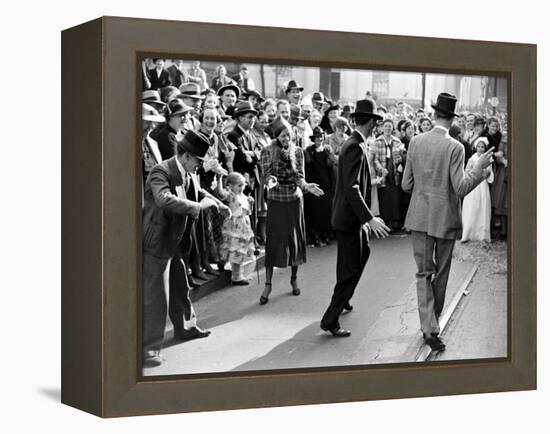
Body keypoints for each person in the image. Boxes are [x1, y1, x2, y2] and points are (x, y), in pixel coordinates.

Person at [401, 92, 494, 352]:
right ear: (452, 119)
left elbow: (406, 184)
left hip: (419, 217)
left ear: (433, 114)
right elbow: (461, 187)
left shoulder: (416, 142)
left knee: (423, 273)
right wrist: (480, 169)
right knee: (440, 274)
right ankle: (433, 326)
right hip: (444, 219)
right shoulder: (456, 147)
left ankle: (428, 326)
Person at [142, 129, 231, 367]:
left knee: (180, 287)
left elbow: (196, 191)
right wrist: (199, 207)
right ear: (187, 156)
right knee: (156, 296)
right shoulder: (161, 171)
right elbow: (164, 199)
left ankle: (186, 328)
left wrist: (218, 204)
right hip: (157, 241)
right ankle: (149, 348)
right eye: (199, 162)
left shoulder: (186, 171)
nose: (200, 167)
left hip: (177, 240)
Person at [320, 99, 390, 337]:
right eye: (375, 122)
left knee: (361, 255)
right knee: (349, 268)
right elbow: (352, 188)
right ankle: (331, 318)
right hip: (350, 218)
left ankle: (344, 298)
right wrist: (369, 218)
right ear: (370, 122)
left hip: (351, 218)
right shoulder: (354, 146)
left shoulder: (357, 144)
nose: (376, 126)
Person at [259, 118, 324, 305]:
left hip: (295, 199)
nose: (287, 138)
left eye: (289, 134)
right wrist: (270, 181)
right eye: (283, 135)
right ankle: (268, 283)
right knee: (274, 240)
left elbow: (299, 176)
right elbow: (265, 175)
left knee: (294, 240)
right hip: (276, 199)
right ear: (276, 136)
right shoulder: (267, 151)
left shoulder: (298, 152)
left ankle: (294, 279)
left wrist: (305, 185)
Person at [217, 172, 256, 285]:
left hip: (244, 226)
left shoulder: (244, 196)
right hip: (234, 226)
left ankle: (236, 272)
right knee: (235, 250)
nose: (242, 188)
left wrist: (251, 204)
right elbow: (221, 194)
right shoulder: (231, 195)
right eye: (239, 185)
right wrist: (219, 178)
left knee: (240, 251)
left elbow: (248, 212)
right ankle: (236, 276)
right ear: (230, 186)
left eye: (243, 185)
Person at [372, 119, 406, 232]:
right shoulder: (377, 141)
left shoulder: (397, 141)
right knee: (384, 197)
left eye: (390, 126)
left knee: (395, 197)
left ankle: (394, 222)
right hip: (383, 172)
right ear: (382, 128)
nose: (387, 128)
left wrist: (400, 160)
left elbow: (401, 156)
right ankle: (385, 222)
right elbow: (375, 159)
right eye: (385, 126)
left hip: (394, 171)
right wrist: (381, 169)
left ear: (393, 128)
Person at [304, 127, 334, 246]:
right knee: (314, 211)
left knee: (326, 211)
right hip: (313, 184)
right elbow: (306, 166)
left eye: (321, 137)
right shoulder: (309, 150)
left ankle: (325, 235)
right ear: (313, 139)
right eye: (317, 137)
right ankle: (316, 236)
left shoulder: (327, 150)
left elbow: (332, 165)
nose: (319, 139)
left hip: (326, 184)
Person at [461, 137, 494, 242]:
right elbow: (466, 172)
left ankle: (483, 234)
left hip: (483, 185)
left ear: (485, 148)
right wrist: (473, 172)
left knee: (483, 207)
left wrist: (486, 173)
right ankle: (468, 233)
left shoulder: (487, 159)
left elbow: (490, 173)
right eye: (479, 147)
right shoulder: (472, 159)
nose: (480, 149)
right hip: (473, 185)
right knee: (471, 207)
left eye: (482, 147)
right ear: (476, 147)